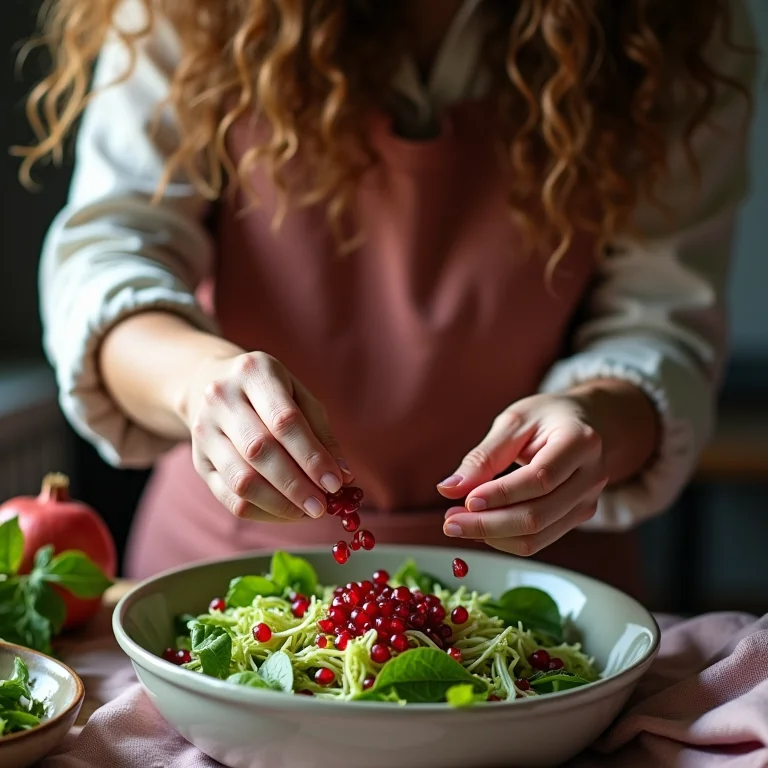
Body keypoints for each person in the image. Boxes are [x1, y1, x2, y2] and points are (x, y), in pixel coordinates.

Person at [23, 0, 756, 595]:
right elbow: (109, 253)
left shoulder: (676, 26)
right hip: (226, 572)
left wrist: (594, 420)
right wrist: (198, 384)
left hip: (537, 589)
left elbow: (662, 325)